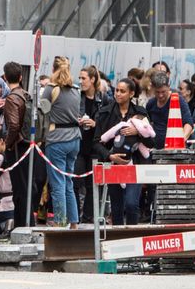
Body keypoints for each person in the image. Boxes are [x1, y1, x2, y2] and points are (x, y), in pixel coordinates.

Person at [95, 78, 151, 224]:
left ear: (131, 94)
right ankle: (117, 238)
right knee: (117, 207)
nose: (118, 94)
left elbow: (152, 141)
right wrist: (110, 156)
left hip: (135, 165)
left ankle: (132, 235)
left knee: (132, 204)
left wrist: (137, 132)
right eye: (117, 90)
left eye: (122, 91)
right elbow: (96, 142)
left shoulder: (140, 113)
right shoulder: (105, 113)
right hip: (114, 166)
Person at [39, 58, 84, 228]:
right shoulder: (76, 89)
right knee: (68, 182)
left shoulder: (50, 88)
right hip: (74, 139)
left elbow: (43, 110)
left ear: (53, 68)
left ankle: (59, 221)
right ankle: (73, 222)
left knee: (57, 182)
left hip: (57, 138)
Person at [2, 61, 39, 228]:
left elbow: (14, 125)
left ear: (4, 77)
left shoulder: (12, 98)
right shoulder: (26, 95)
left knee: (19, 190)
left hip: (17, 148)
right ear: (21, 77)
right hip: (28, 146)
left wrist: (7, 144)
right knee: (25, 188)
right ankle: (25, 225)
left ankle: (23, 226)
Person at [77, 65, 107, 223]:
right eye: (80, 78)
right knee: (75, 180)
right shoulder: (77, 96)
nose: (80, 81)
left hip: (95, 146)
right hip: (79, 144)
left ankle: (89, 218)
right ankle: (75, 217)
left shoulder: (103, 98)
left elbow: (109, 123)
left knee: (92, 184)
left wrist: (95, 124)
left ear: (93, 79)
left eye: (84, 78)